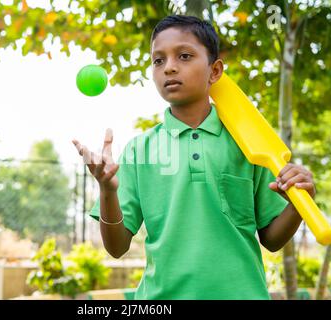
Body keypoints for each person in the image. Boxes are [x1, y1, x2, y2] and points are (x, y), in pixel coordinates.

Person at [72, 15, 316, 300]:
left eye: (184, 56)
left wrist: (299, 204)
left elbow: (272, 239)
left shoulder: (249, 143)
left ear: (214, 71)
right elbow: (116, 247)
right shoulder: (140, 149)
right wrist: (107, 191)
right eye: (158, 61)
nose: (170, 67)